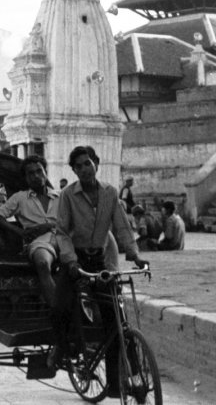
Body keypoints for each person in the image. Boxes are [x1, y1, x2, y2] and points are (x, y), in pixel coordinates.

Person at [52, 146, 148, 393]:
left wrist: (135, 255)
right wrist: (70, 261)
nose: (84, 169)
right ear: (74, 171)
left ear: (96, 163)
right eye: (79, 166)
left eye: (88, 163)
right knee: (60, 304)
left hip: (100, 259)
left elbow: (122, 227)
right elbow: (61, 231)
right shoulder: (67, 195)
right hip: (75, 259)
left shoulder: (110, 193)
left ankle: (118, 382)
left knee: (116, 317)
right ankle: (61, 348)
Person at [0, 155, 58, 307]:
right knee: (42, 263)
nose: (36, 176)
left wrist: (50, 226)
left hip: (64, 238)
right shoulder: (20, 198)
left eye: (39, 171)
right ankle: (58, 313)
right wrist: (19, 232)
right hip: (39, 243)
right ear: (26, 178)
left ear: (45, 172)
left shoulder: (60, 196)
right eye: (31, 173)